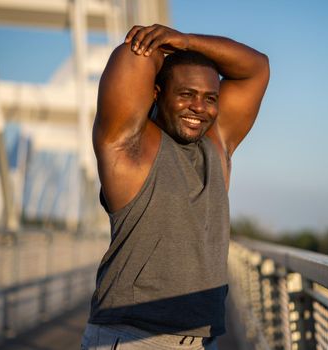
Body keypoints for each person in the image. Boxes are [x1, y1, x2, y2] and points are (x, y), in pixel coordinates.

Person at [81, 24, 269, 349]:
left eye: (210, 98)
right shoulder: (130, 149)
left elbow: (257, 68)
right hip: (133, 337)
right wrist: (164, 46)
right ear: (156, 93)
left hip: (201, 339)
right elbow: (135, 53)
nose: (199, 107)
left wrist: (184, 41)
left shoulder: (218, 145)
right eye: (186, 95)